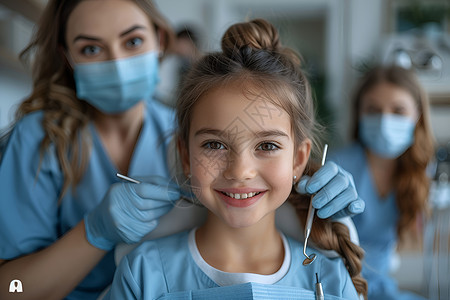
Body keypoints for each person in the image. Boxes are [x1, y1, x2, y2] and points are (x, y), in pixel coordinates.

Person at [0, 1, 362, 299]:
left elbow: (255, 195)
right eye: (91, 48)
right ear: (67, 57)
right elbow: (10, 291)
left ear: (160, 40)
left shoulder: (191, 121)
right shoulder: (37, 140)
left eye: (132, 41)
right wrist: (93, 233)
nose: (116, 62)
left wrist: (321, 197)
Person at [105, 19, 368, 300]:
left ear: (298, 159)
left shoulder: (330, 280)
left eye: (267, 145)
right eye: (214, 144)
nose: (240, 171)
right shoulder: (142, 274)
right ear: (185, 156)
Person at [329, 65, 435, 299]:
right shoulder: (338, 167)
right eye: (373, 110)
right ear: (359, 114)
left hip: (381, 288)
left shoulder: (417, 172)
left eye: (398, 110)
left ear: (416, 114)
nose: (385, 120)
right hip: (337, 284)